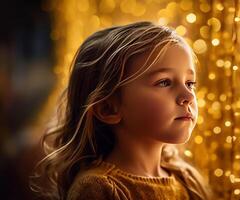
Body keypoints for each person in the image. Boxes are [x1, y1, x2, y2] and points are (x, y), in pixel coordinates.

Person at [30, 21, 212, 200]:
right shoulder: (98, 189)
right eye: (164, 82)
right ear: (108, 109)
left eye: (190, 83)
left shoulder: (188, 180)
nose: (188, 96)